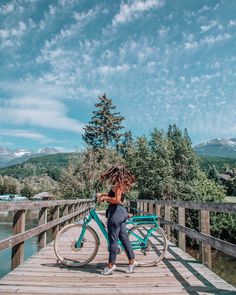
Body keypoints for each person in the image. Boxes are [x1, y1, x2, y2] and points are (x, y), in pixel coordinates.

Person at [97, 162, 138, 275]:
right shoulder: (120, 183)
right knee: (124, 239)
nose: (111, 174)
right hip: (120, 213)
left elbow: (116, 200)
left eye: (113, 172)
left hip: (116, 214)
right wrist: (103, 194)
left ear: (116, 173)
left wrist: (105, 198)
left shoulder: (119, 184)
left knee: (113, 240)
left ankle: (111, 265)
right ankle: (132, 261)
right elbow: (113, 195)